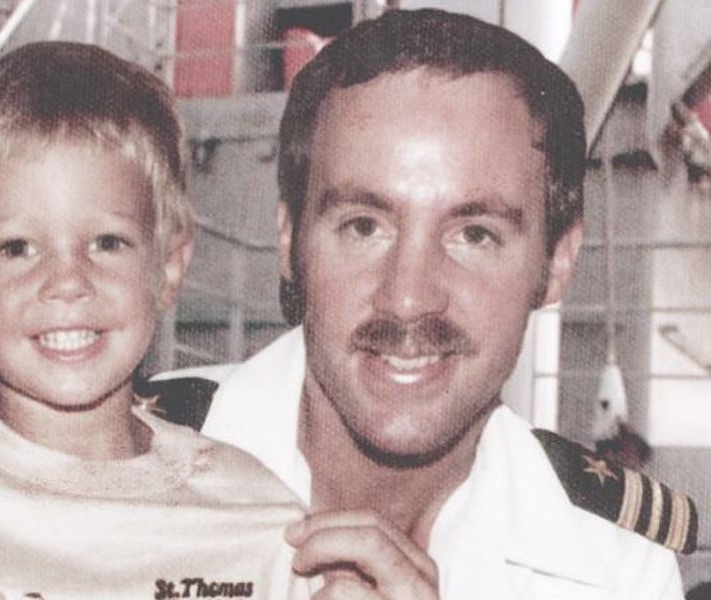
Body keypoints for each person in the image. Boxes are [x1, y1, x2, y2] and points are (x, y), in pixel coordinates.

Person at [145, 8, 699, 599]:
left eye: (474, 235)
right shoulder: (120, 463)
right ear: (289, 241)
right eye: (364, 226)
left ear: (558, 263)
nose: (408, 299)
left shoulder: (614, 571)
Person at [0, 42, 311, 600]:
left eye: (107, 242)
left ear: (168, 266)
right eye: (17, 247)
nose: (67, 282)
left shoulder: (261, 520)